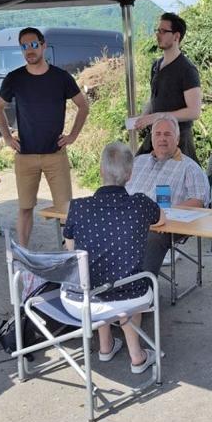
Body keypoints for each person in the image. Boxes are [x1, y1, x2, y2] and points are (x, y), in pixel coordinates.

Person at [62, 142, 165, 374]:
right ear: (130, 175)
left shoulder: (78, 207)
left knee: (97, 273)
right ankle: (137, 356)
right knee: (127, 278)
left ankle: (105, 346)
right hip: (128, 296)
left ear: (101, 171)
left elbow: (72, 252)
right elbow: (162, 219)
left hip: (81, 300)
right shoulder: (140, 203)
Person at [0, 27, 89, 249]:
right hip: (25, 155)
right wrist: (7, 137)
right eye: (24, 46)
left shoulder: (61, 77)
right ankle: (23, 254)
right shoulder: (14, 78)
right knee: (25, 207)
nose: (29, 50)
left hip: (55, 154)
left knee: (66, 209)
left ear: (43, 45)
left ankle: (71, 255)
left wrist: (73, 136)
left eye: (34, 44)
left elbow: (83, 106)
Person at [126, 114, 210, 274]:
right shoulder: (137, 162)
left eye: (167, 134)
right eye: (158, 134)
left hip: (166, 223)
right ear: (152, 138)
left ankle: (143, 286)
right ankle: (105, 282)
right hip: (130, 217)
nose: (162, 139)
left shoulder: (189, 167)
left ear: (177, 139)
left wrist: (163, 215)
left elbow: (198, 201)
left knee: (152, 238)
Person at [133, 13, 201, 161]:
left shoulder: (187, 70)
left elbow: (194, 111)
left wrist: (158, 116)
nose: (158, 35)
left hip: (178, 140)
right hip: (155, 137)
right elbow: (155, 98)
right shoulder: (155, 65)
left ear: (176, 36)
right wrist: (144, 117)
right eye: (157, 30)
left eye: (163, 31)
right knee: (136, 168)